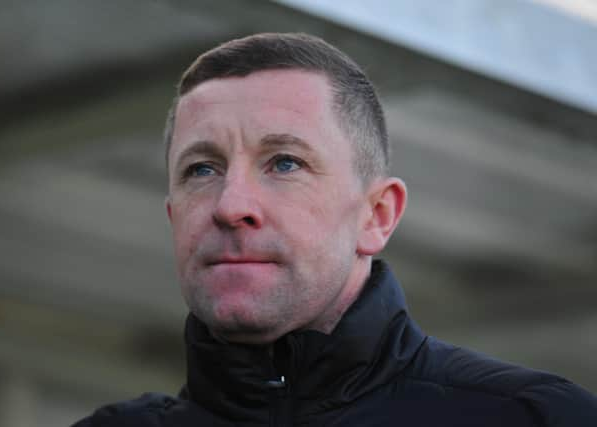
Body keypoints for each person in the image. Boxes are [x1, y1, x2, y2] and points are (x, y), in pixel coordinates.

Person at [73, 33, 597, 426]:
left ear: (377, 216)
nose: (231, 206)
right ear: (173, 217)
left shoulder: (534, 419)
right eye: (201, 169)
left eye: (284, 163)